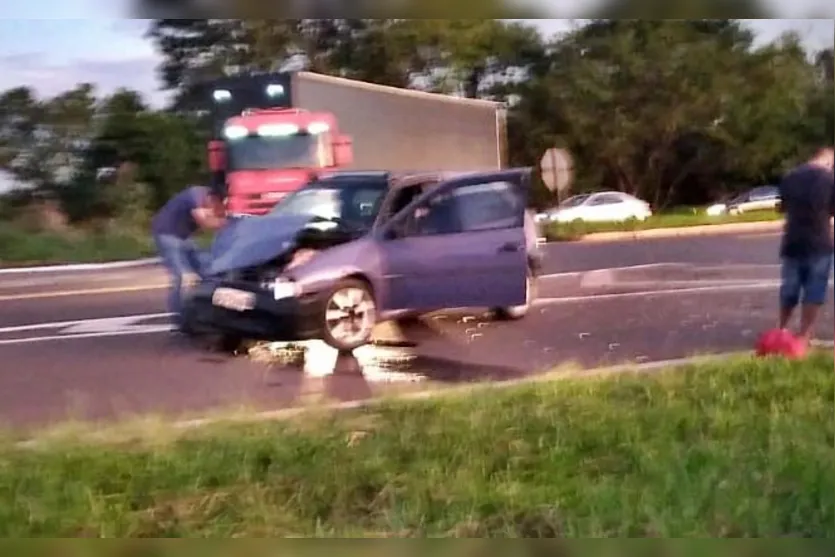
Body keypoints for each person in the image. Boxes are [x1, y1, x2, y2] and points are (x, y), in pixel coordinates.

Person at [776, 146, 834, 347]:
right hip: (819, 242)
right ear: (828, 160)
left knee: (789, 289)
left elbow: (782, 207)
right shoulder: (829, 179)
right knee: (814, 291)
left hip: (792, 241)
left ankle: (781, 329)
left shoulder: (790, 177)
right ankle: (804, 335)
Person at [152, 184, 227, 331]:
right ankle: (180, 321)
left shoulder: (206, 199)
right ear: (212, 197)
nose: (216, 208)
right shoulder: (196, 195)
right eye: (216, 204)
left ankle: (207, 313)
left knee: (207, 269)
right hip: (168, 236)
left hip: (184, 237)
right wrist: (227, 223)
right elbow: (204, 221)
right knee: (183, 277)